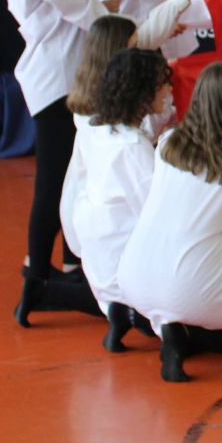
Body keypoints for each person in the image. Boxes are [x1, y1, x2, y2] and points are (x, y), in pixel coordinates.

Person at [0, 0, 210, 326]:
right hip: (58, 83)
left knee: (73, 176)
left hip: (68, 78)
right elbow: (98, 22)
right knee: (55, 181)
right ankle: (38, 277)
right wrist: (162, 13)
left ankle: (67, 270)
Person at [119, 62, 222, 383]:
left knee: (192, 300)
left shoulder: (169, 142)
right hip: (193, 284)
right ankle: (187, 335)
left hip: (134, 276)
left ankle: (171, 328)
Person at [73, 48, 171, 352]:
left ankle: (126, 312)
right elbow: (157, 215)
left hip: (101, 260)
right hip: (126, 269)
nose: (168, 90)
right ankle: (134, 314)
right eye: (162, 85)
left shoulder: (98, 129)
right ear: (142, 92)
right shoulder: (132, 147)